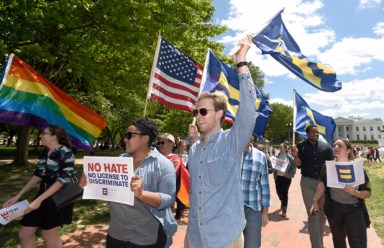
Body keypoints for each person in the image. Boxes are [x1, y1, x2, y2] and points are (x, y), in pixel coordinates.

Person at [184, 35, 257, 248]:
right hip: (197, 238)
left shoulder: (231, 142)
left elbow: (248, 112)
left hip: (225, 239)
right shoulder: (194, 150)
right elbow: (195, 197)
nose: (198, 115)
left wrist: (241, 61)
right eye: (197, 111)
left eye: (204, 111)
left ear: (219, 114)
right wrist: (189, 236)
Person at [80, 118, 177, 247]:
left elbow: (168, 199)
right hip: (116, 233)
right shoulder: (120, 160)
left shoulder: (163, 164)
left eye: (129, 135)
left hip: (144, 238)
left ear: (145, 138)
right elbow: (109, 192)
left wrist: (142, 194)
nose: (125, 139)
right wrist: (90, 183)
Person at [3, 125, 75, 248]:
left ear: (54, 136)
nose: (40, 136)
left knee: (49, 233)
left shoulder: (66, 153)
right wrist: (18, 196)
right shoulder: (45, 152)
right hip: (42, 195)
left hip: (57, 198)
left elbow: (62, 180)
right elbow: (38, 175)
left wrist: (38, 200)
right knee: (25, 234)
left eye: (44, 133)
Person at [310, 138, 371, 248]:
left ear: (348, 150)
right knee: (338, 242)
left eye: (340, 146)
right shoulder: (327, 167)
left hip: (354, 209)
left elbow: (367, 193)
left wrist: (355, 192)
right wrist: (315, 201)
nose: (336, 148)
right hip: (335, 209)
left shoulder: (358, 168)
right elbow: (322, 184)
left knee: (358, 243)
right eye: (334, 145)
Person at [291, 125, 334, 248]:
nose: (316, 134)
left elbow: (331, 166)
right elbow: (298, 165)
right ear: (307, 134)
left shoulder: (326, 147)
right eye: (313, 132)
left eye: (317, 132)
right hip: (307, 183)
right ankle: (317, 245)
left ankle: (319, 240)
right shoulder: (300, 146)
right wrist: (295, 155)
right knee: (313, 213)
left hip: (323, 184)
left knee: (322, 214)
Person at [242, 142, 270, 248]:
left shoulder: (260, 156)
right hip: (233, 210)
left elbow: (265, 186)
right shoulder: (231, 153)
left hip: (253, 209)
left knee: (252, 245)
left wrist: (265, 213)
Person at [157, 133, 186, 221]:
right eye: (158, 143)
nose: (159, 145)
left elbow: (169, 177)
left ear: (171, 144)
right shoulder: (157, 157)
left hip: (167, 197)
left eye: (162, 143)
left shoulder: (175, 159)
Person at [273, 143, 296, 218]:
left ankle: (284, 209)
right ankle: (282, 201)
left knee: (285, 192)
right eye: (280, 147)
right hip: (278, 177)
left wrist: (290, 175)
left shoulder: (290, 158)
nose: (281, 149)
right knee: (278, 191)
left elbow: (293, 168)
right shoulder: (276, 156)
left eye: (282, 147)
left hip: (286, 178)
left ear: (286, 149)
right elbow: (273, 167)